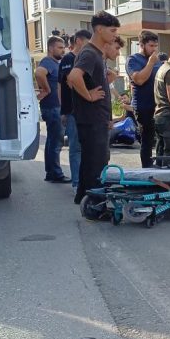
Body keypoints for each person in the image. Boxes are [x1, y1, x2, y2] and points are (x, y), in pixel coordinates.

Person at [68, 11, 120, 205]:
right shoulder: (90, 52)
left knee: (90, 162)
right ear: (99, 29)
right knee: (96, 165)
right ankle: (95, 205)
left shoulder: (96, 53)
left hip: (96, 118)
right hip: (91, 120)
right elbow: (73, 77)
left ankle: (82, 197)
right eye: (112, 30)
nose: (115, 35)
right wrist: (89, 96)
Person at [59, 29, 91, 193]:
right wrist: (63, 109)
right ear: (79, 40)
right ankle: (77, 183)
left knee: (86, 147)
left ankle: (85, 181)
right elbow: (68, 84)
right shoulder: (68, 59)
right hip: (73, 110)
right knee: (75, 147)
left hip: (86, 110)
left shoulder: (85, 59)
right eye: (87, 41)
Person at [35, 35, 68, 183]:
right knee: (56, 142)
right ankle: (55, 173)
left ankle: (51, 172)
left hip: (53, 107)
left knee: (52, 141)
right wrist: (47, 89)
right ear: (51, 48)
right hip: (53, 107)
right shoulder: (48, 61)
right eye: (60, 48)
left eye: (63, 48)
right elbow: (39, 73)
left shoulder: (55, 63)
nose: (63, 50)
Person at [126, 30, 162, 168]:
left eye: (155, 46)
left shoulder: (156, 60)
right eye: (151, 46)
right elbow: (139, 80)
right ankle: (146, 169)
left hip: (158, 106)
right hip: (143, 107)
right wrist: (151, 63)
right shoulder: (133, 60)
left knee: (161, 139)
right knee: (147, 140)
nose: (154, 49)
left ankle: (161, 167)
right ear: (141, 44)